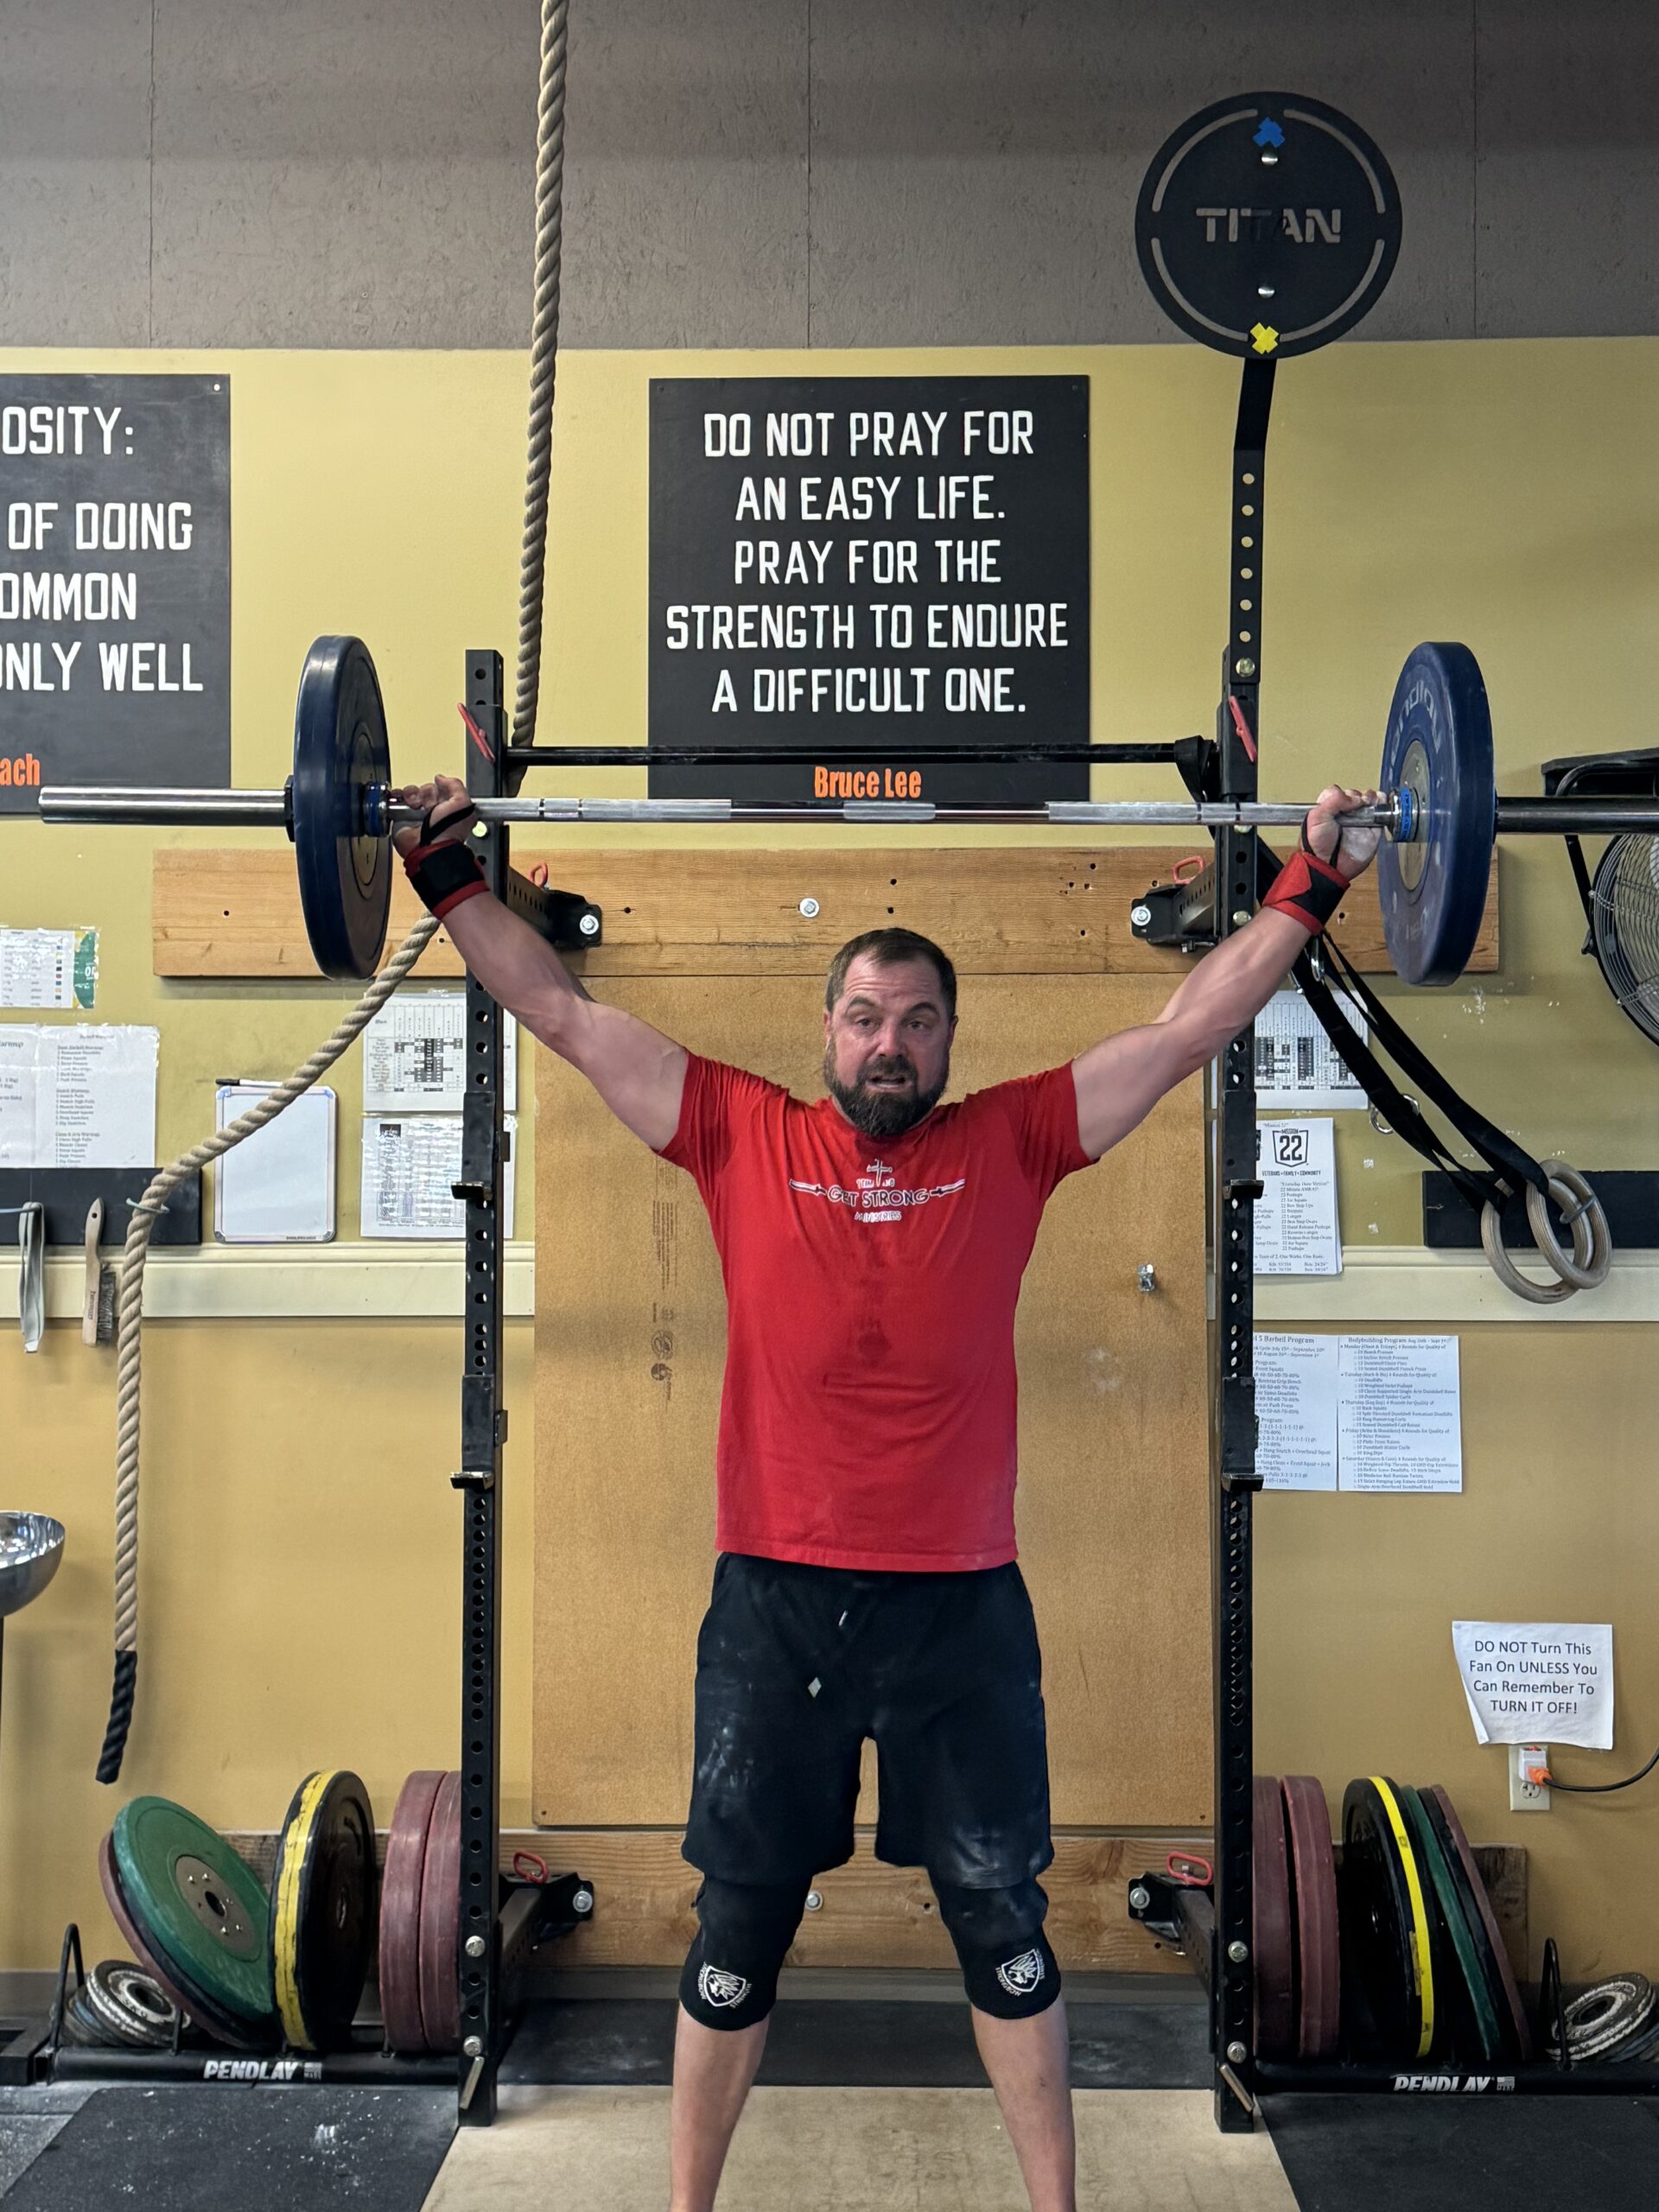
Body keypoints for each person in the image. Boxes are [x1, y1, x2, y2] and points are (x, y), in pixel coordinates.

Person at [393, 775, 1380, 2212]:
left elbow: (1188, 1030)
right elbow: (556, 1010)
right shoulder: (735, 1130)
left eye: (918, 1022)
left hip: (960, 1612)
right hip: (774, 1606)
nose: (890, 1044)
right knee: (739, 1927)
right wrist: (439, 869)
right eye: (866, 1017)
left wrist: (1313, 881)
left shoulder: (1015, 1139)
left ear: (950, 1042)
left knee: (1004, 1928)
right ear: (828, 1031)